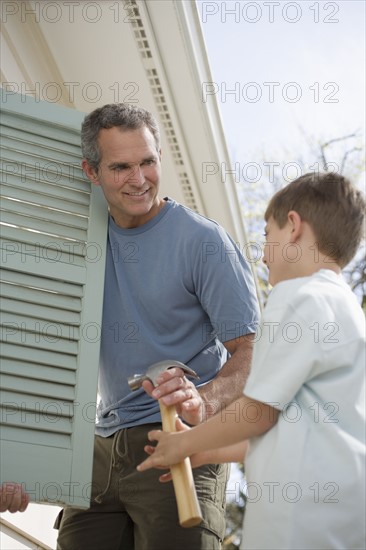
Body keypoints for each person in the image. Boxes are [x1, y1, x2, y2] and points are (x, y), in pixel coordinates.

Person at [55, 103, 260, 550]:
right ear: (91, 172)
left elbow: (251, 351)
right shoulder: (82, 241)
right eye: (121, 167)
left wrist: (202, 401)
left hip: (180, 444)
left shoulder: (203, 242)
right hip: (101, 446)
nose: (140, 178)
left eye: (148, 161)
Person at [138, 172, 366, 549]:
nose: (262, 255)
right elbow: (289, 427)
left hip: (297, 521)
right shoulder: (350, 316)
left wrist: (183, 443)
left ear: (293, 227)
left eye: (266, 235)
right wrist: (205, 449)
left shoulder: (296, 295)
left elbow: (259, 412)